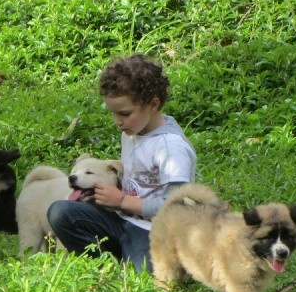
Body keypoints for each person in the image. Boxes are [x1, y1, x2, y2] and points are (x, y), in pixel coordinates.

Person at [48, 54, 197, 272]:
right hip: (122, 220)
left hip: (154, 231)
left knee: (143, 277)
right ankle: (98, 266)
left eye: (125, 113)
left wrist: (121, 201)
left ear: (153, 104)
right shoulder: (131, 132)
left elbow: (176, 205)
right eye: (113, 113)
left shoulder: (170, 147)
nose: (117, 121)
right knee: (60, 212)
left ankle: (143, 262)